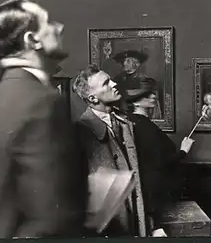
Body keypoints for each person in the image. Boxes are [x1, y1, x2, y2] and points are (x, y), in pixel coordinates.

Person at [0, 0, 87, 238]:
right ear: (32, 40)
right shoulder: (43, 101)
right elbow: (53, 220)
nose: (59, 27)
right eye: (48, 22)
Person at [73, 65, 164, 237]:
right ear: (92, 98)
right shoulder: (79, 133)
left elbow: (144, 176)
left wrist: (153, 223)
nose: (114, 84)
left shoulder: (127, 123)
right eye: (106, 83)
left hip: (139, 223)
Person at [125, 79, 194, 230]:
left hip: (146, 189)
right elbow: (159, 162)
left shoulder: (134, 121)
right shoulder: (144, 126)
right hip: (152, 192)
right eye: (146, 95)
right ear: (135, 102)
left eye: (152, 93)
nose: (153, 96)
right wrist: (183, 151)